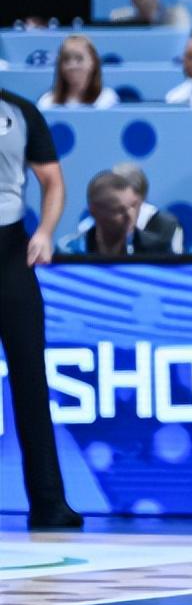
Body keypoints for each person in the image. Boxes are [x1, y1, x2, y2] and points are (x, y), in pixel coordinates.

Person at [0, 88, 82, 529]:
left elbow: (52, 179)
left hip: (10, 251)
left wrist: (46, 231)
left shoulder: (20, 110)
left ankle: (49, 501)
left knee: (30, 376)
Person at [68, 162, 183, 254]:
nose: (129, 215)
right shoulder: (77, 244)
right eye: (117, 208)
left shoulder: (162, 237)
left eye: (132, 205)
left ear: (142, 198)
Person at [37, 36, 118, 109]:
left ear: (93, 63)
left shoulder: (107, 99)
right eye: (66, 60)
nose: (72, 66)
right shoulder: (47, 102)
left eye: (79, 59)